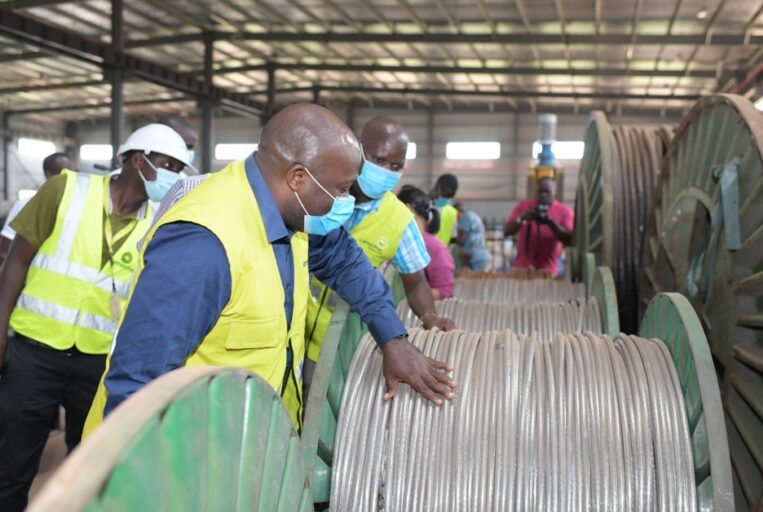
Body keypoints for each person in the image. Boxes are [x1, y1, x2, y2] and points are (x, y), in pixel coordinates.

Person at [83, 104, 457, 439]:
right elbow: (139, 384)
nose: (345, 201)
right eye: (340, 190)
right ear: (298, 178)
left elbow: (345, 260)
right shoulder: (203, 244)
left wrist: (393, 338)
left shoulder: (294, 215)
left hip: (250, 442)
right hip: (190, 458)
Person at [0, 123, 192, 512]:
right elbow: (16, 261)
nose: (173, 176)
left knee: (93, 467)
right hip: (33, 356)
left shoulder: (159, 220)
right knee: (12, 469)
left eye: (178, 168)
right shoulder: (66, 189)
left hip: (100, 364)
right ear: (138, 160)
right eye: (167, 165)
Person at [305, 116, 455, 373]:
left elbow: (416, 281)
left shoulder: (399, 220)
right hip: (289, 327)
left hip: (338, 344)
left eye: (395, 165)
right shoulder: (320, 192)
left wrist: (429, 316)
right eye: (379, 160)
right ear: (358, 150)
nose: (386, 170)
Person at [0, 152, 76, 265]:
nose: (73, 177)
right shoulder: (26, 204)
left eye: (76, 173)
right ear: (48, 174)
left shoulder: (78, 208)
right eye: (65, 173)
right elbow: (5, 251)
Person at [504, 176, 573, 277]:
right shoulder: (524, 207)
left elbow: (569, 240)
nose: (543, 195)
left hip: (548, 272)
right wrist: (522, 218)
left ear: (555, 193)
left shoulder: (564, 212)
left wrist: (550, 222)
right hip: (521, 271)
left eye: (547, 192)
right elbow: (507, 231)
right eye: (540, 192)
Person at [397, 186, 454, 300]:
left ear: (408, 209)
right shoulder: (398, 241)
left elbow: (444, 292)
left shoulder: (434, 246)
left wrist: (403, 295)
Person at [455, 202, 490, 272]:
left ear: (458, 211)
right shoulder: (473, 216)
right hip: (481, 256)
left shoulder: (465, 217)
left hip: (473, 257)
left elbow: (462, 239)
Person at [431, 173, 459, 246]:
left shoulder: (452, 212)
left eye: (449, 195)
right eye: (444, 193)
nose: (445, 197)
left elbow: (453, 238)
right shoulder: (425, 206)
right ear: (437, 187)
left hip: (441, 254)